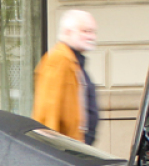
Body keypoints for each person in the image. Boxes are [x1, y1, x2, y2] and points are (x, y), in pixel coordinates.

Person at [32, 9, 99, 145]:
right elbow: (49, 111)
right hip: (67, 148)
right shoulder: (59, 60)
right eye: (85, 31)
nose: (91, 37)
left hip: (76, 145)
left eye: (93, 32)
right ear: (68, 32)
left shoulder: (74, 61)